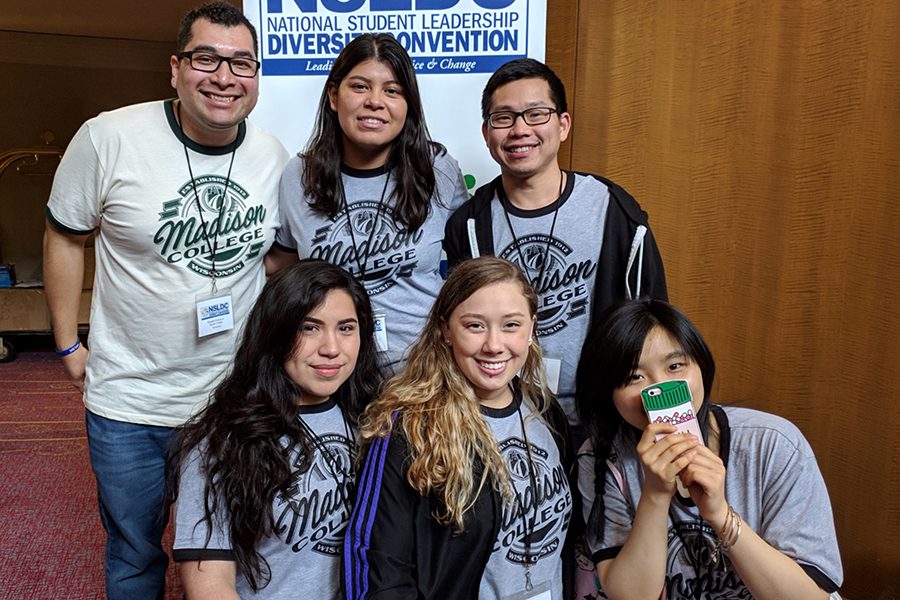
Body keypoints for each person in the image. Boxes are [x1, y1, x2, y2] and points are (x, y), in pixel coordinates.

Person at [41, 3, 289, 597]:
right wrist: (66, 340)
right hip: (130, 399)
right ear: (175, 68)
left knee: (239, 546)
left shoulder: (273, 157)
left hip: (233, 397)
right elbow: (64, 236)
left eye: (242, 63)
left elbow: (277, 258)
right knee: (134, 552)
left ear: (256, 76)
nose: (224, 77)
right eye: (207, 59)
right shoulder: (109, 137)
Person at [444, 58, 668, 430]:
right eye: (504, 118)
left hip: (602, 420)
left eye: (536, 114)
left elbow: (654, 326)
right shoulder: (468, 224)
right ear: (486, 133)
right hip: (501, 421)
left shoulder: (613, 210)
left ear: (563, 125)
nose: (520, 130)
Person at [575, 299, 843, 599]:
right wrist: (655, 494)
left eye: (675, 366)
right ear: (607, 391)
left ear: (702, 366)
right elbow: (632, 596)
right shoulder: (602, 458)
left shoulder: (773, 443)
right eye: (634, 377)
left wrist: (719, 514)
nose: (660, 388)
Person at [345, 256, 574, 600]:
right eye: (475, 326)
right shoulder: (409, 428)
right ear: (445, 330)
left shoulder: (543, 408)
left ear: (532, 328)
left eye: (511, 325)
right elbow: (380, 570)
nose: (494, 345)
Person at [170, 259, 383, 599]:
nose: (330, 348)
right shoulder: (221, 441)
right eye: (308, 328)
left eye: (346, 328)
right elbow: (210, 585)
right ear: (275, 333)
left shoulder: (378, 420)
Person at [266, 33, 469, 374]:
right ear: (334, 95)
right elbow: (282, 265)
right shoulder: (299, 175)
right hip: (330, 374)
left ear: (409, 104)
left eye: (392, 91)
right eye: (360, 87)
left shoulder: (437, 168)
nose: (375, 101)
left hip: (423, 375)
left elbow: (469, 272)